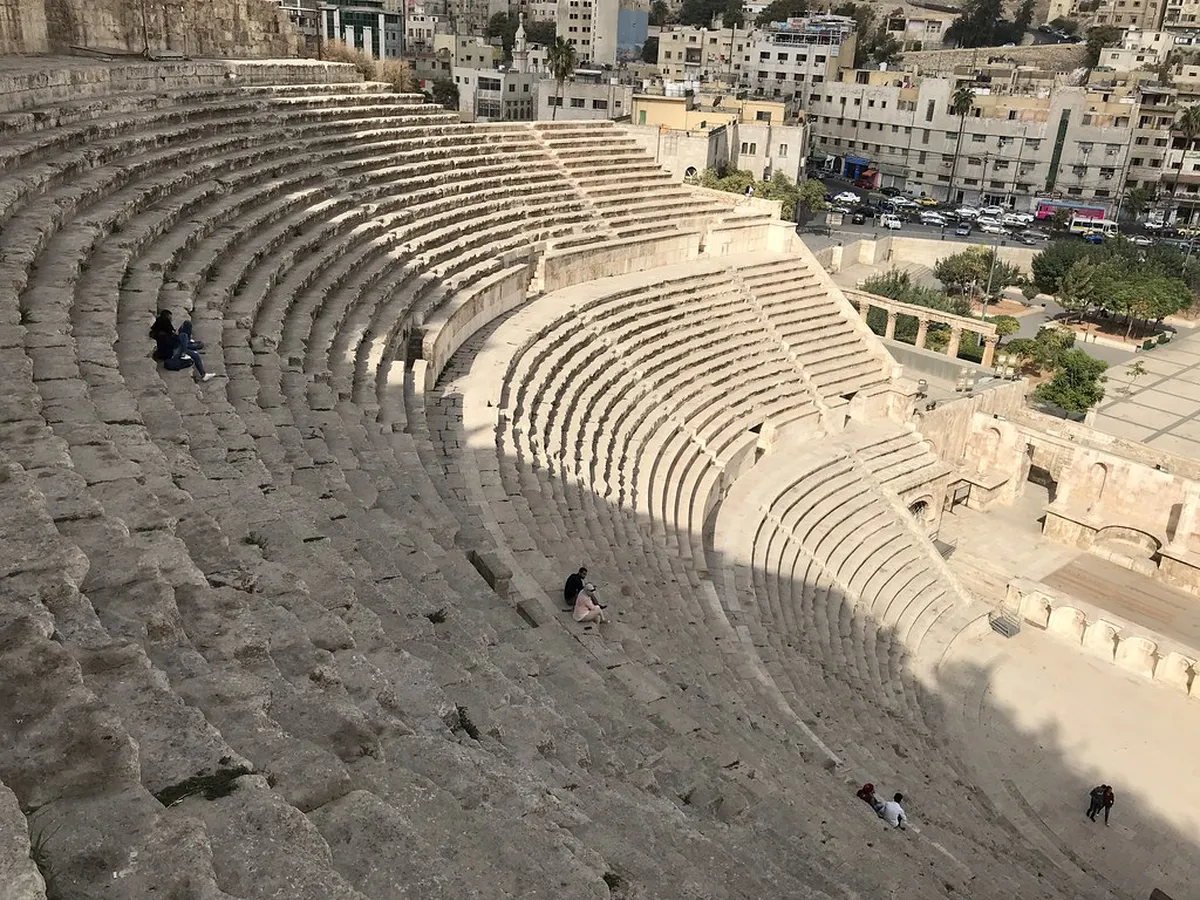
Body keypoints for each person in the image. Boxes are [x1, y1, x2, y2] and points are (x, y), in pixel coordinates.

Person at [150, 311, 214, 382]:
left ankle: (203, 374)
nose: (171, 320)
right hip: (174, 352)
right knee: (186, 339)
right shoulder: (162, 336)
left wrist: (176, 334)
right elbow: (173, 345)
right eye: (170, 318)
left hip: (177, 346)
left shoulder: (164, 328)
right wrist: (179, 338)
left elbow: (173, 337)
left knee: (187, 325)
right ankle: (202, 373)